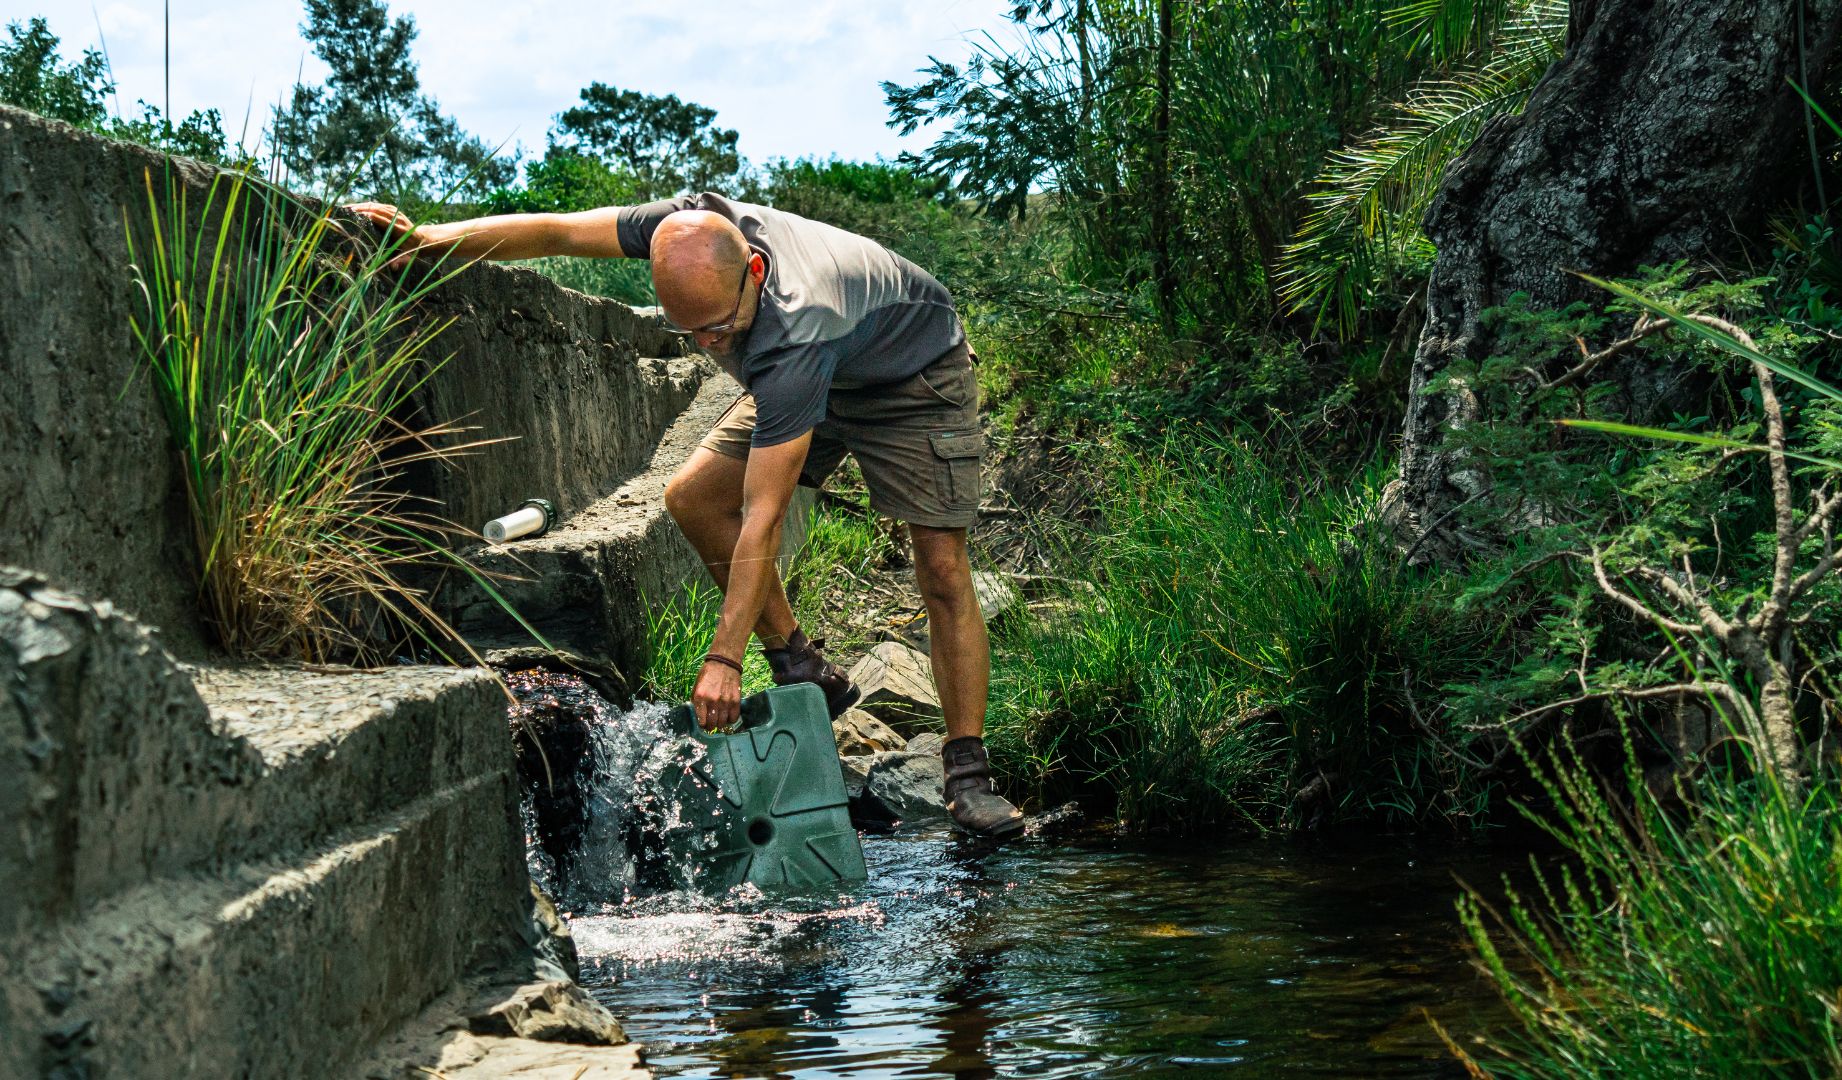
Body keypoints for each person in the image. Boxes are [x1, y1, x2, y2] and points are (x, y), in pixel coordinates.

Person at [346, 192, 1025, 838]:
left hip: (911, 376)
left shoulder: (795, 329)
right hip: (823, 360)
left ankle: (968, 773)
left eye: (718, 328)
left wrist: (724, 659)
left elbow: (764, 518)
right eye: (687, 331)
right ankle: (801, 667)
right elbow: (555, 232)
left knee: (939, 567)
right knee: (692, 496)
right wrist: (432, 240)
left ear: (754, 274)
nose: (706, 345)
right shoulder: (681, 229)